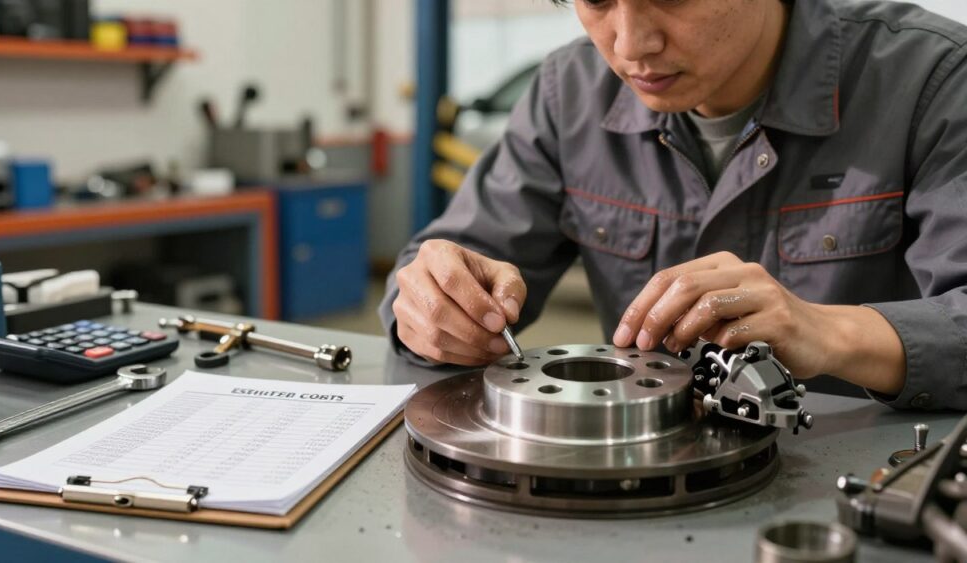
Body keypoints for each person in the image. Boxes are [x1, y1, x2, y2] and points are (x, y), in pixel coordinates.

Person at [380, 0, 967, 410]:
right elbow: (447, 260)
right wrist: (433, 306)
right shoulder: (569, 95)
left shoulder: (933, 81)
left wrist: (832, 332)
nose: (632, 44)